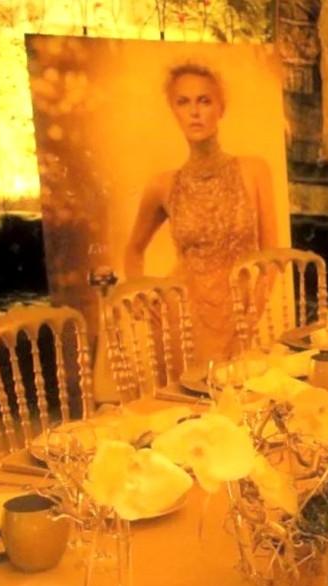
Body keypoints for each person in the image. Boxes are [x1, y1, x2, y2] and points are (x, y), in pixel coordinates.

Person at [124, 62, 278, 365]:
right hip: (181, 319)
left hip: (242, 314)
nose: (195, 111)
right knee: (190, 407)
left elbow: (270, 257)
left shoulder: (254, 170)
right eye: (183, 102)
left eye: (204, 100)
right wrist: (139, 290)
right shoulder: (163, 185)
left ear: (221, 107)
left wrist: (251, 315)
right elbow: (133, 250)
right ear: (174, 111)